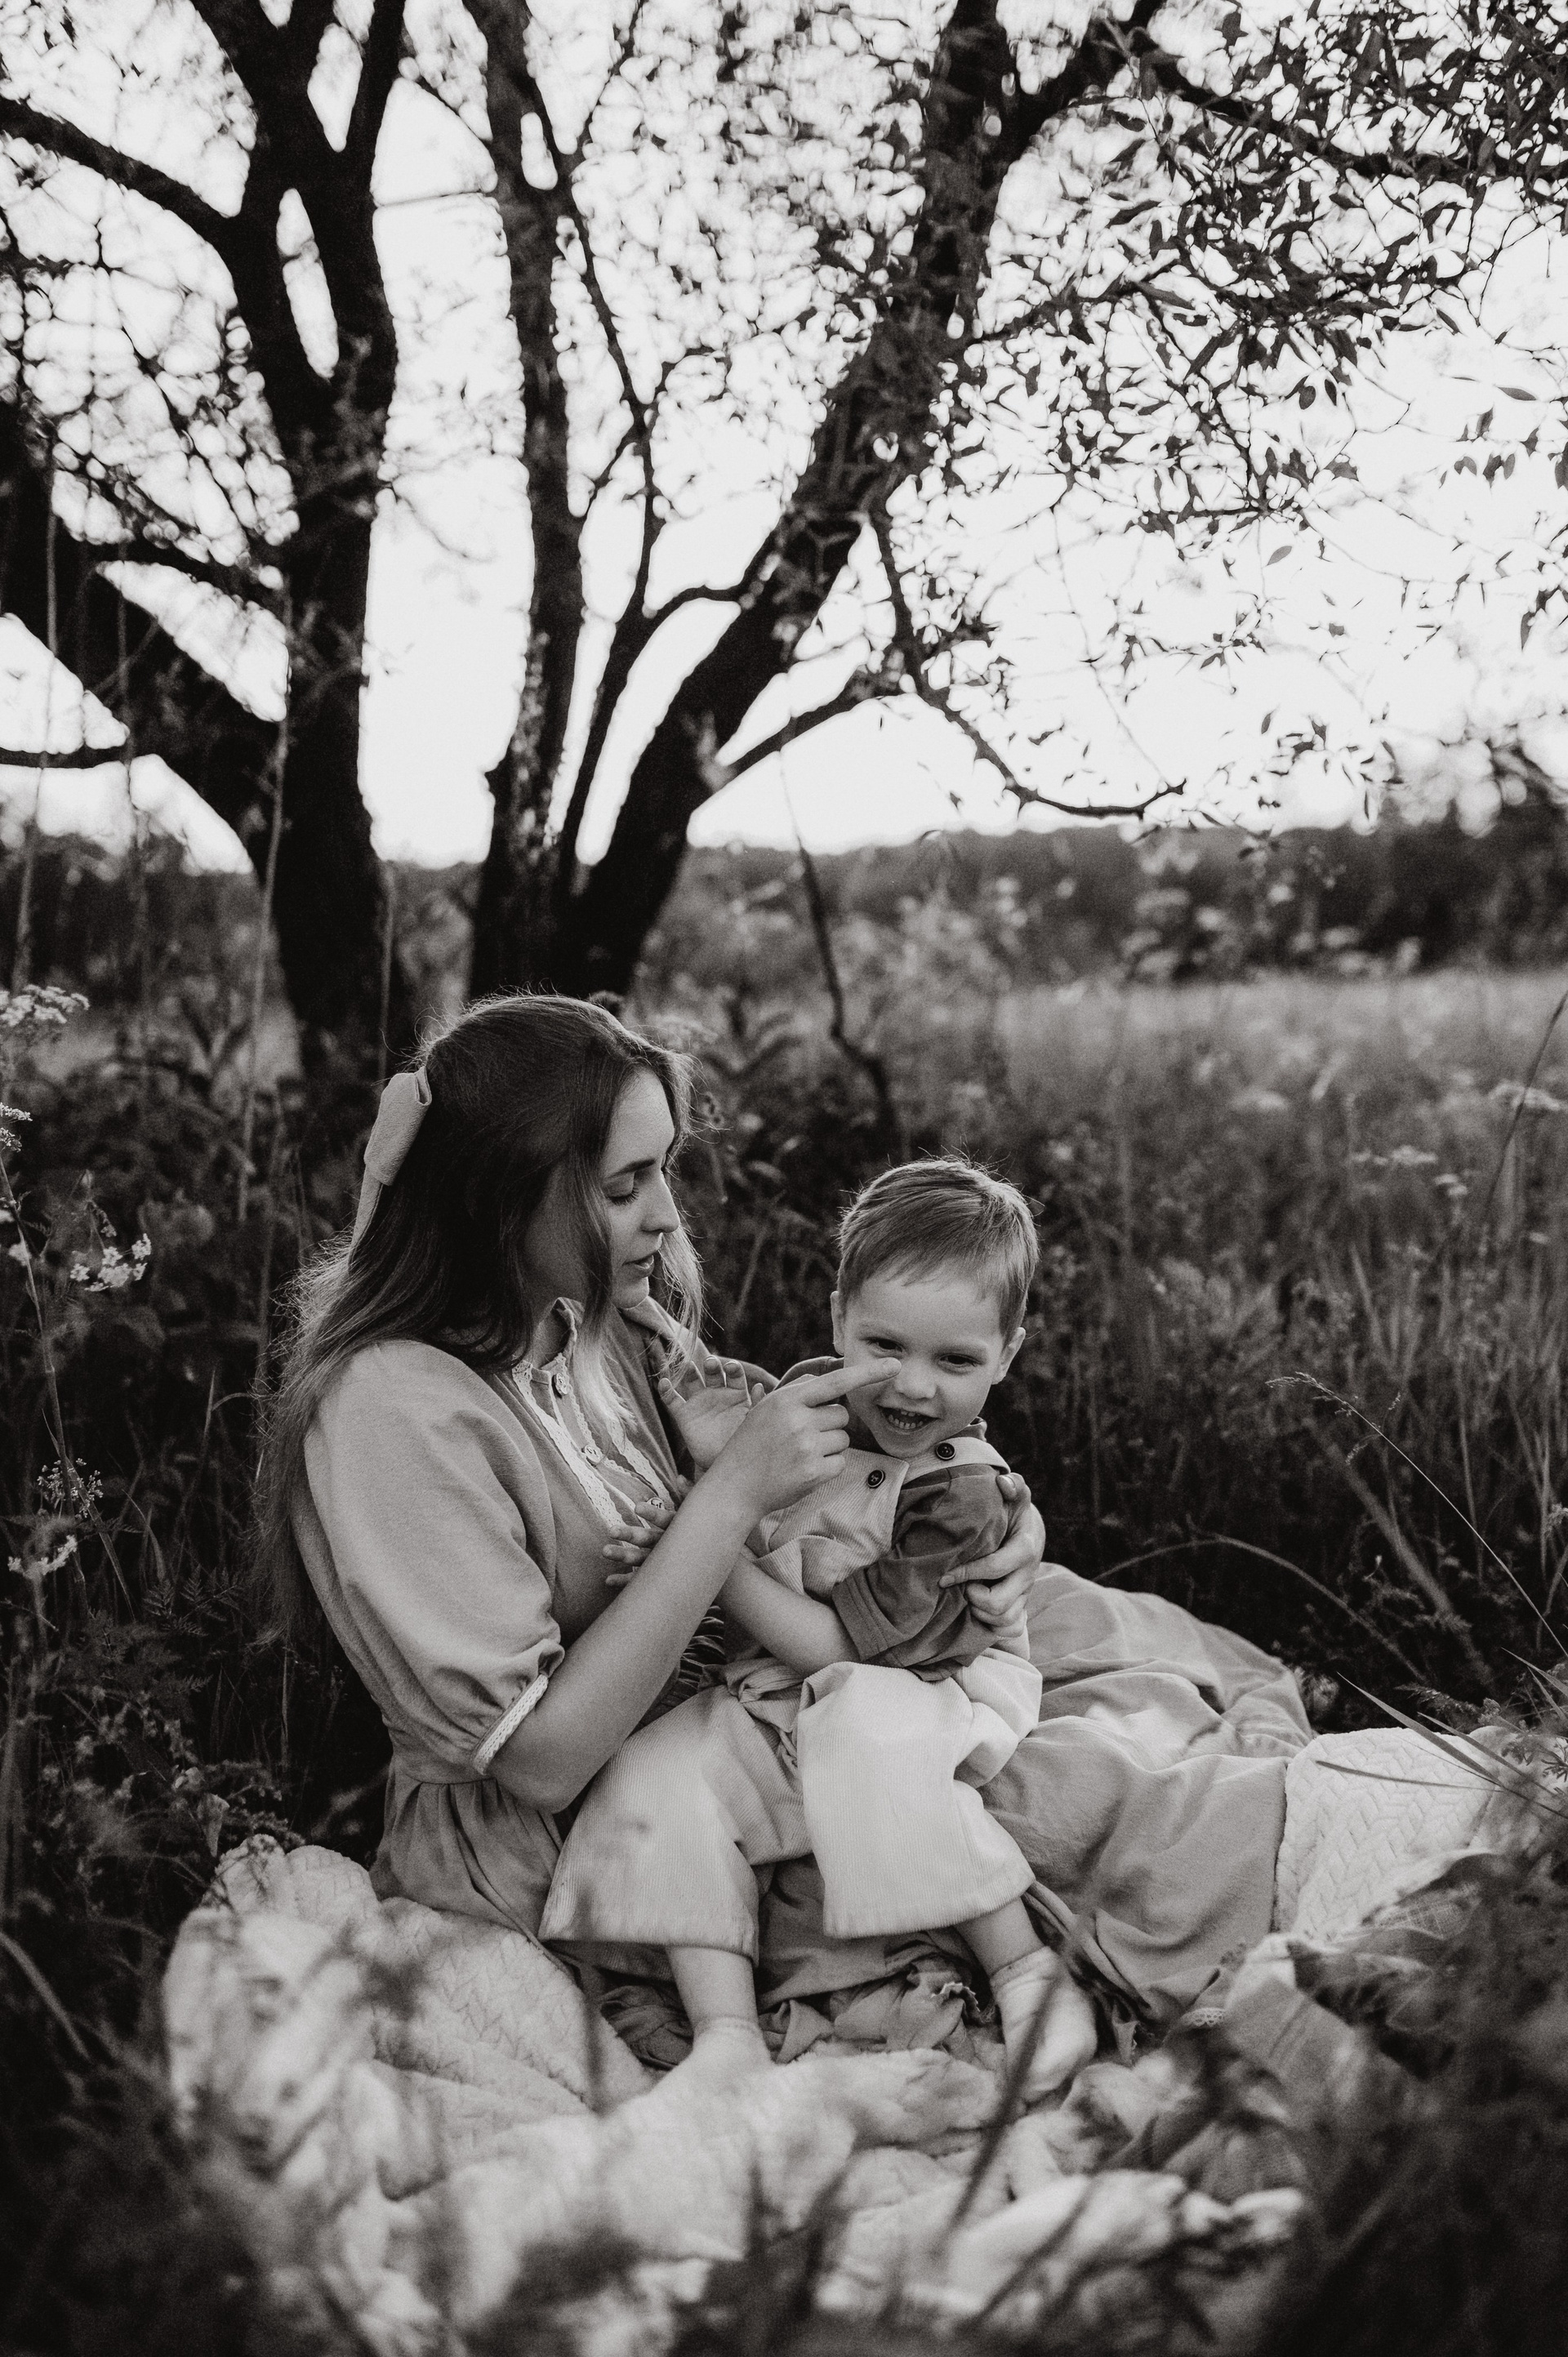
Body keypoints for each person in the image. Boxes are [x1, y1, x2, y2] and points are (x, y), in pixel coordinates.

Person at [252, 996, 1045, 2083]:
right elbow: (542, 1760)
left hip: (744, 1722)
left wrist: (1002, 1520)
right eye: (625, 1186)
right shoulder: (393, 1412)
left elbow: (857, 1460)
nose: (668, 1216)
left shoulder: (590, 1314)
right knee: (1046, 1833)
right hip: (587, 1841)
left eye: (663, 1169)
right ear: (497, 1198)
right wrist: (727, 1498)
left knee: (1051, 1740)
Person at [545, 1160, 1102, 2095]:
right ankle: (725, 2035)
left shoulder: (961, 1496)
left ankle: (1026, 1971)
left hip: (925, 1686)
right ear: (840, 1318)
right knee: (654, 1773)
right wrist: (701, 1487)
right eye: (884, 1346)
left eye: (956, 1361)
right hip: (777, 1687)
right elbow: (735, 1455)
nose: (912, 1387)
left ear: (1007, 1355)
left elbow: (845, 1651)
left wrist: (703, 1553)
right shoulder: (809, 1402)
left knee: (870, 1733)